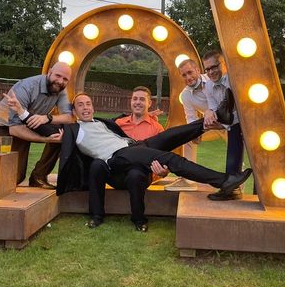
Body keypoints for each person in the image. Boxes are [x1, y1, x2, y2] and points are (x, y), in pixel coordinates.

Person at [56, 93, 250, 232]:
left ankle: (218, 116)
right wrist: (33, 118)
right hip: (116, 157)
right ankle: (223, 181)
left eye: (88, 103)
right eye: (80, 105)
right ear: (74, 111)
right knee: (171, 159)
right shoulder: (72, 130)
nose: (86, 107)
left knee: (171, 134)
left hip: (133, 147)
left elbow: (120, 122)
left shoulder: (100, 122)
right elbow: (46, 129)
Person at [0, 62, 73, 188]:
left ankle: (38, 177)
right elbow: (15, 129)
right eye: (58, 76)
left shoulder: (61, 90)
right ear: (49, 72)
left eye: (65, 79)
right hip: (5, 128)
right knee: (15, 178)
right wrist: (44, 139)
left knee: (63, 135)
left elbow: (68, 118)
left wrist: (47, 118)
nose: (60, 81)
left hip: (30, 122)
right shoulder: (26, 87)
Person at [166, 59, 227, 192]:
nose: (188, 77)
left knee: (234, 151)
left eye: (190, 72)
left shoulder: (213, 80)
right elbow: (191, 118)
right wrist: (194, 134)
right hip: (210, 125)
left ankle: (235, 184)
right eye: (184, 75)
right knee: (187, 138)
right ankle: (189, 179)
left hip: (229, 123)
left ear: (198, 70)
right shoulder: (185, 95)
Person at [202, 50, 247, 201]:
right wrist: (209, 113)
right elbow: (213, 108)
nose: (211, 72)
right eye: (207, 69)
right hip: (231, 122)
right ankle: (231, 187)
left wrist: (225, 123)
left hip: (247, 119)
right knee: (233, 140)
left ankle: (231, 186)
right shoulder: (208, 85)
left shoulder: (234, 80)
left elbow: (244, 109)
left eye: (214, 66)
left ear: (224, 64)